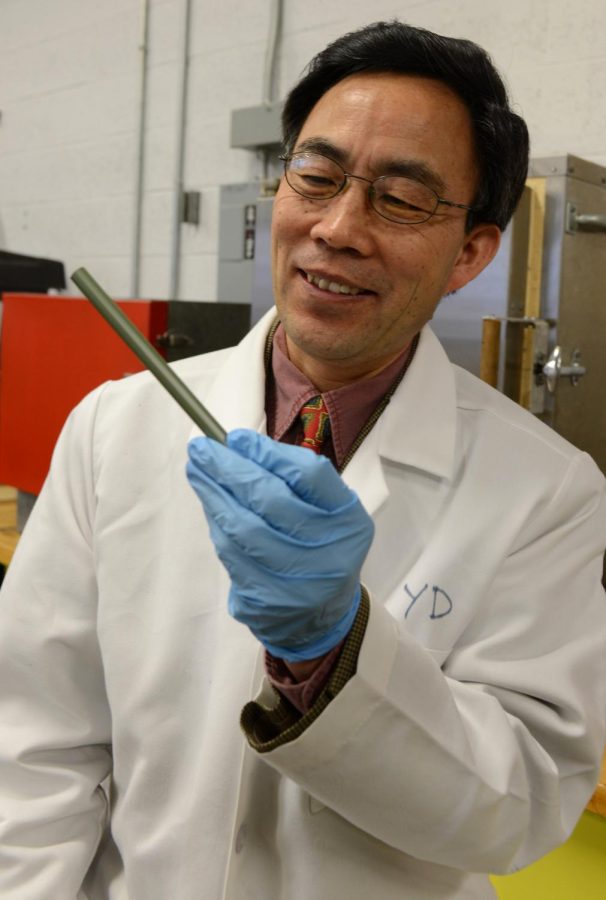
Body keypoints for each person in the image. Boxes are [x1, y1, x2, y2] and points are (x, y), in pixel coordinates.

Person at [1, 19, 605, 900]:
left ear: (471, 251)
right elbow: (33, 740)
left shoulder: (549, 491)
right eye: (316, 178)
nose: (338, 228)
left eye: (400, 200)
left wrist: (336, 653)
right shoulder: (111, 428)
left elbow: (521, 805)